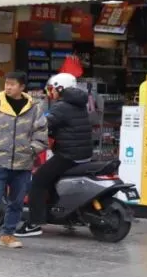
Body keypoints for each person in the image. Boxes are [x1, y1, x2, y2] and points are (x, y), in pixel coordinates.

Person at [0, 70, 48, 250]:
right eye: (7, 83)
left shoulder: (34, 107)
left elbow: (41, 133)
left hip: (23, 164)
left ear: (22, 87)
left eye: (12, 84)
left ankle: (8, 235)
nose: (8, 87)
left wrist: (32, 150)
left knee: (17, 202)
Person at [16, 72, 92, 237]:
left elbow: (43, 125)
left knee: (38, 180)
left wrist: (24, 131)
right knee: (51, 178)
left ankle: (34, 223)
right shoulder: (79, 103)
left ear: (60, 89)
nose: (50, 93)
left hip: (68, 155)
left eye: (52, 89)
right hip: (82, 153)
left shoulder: (61, 107)